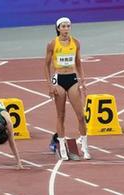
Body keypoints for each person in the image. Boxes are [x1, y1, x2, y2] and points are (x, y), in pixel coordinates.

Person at [44, 17, 90, 160]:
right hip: (59, 79)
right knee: (61, 115)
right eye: (63, 26)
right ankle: (62, 145)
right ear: (58, 28)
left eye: (68, 26)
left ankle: (85, 145)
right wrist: (50, 85)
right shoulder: (52, 44)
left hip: (72, 78)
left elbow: (78, 62)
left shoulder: (76, 42)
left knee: (81, 116)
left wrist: (83, 81)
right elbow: (45, 65)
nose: (66, 29)